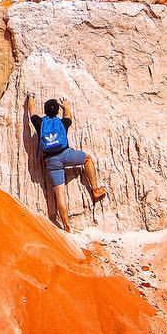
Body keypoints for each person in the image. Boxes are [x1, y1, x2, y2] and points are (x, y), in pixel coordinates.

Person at [27, 92, 107, 232]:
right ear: (57, 111)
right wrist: (66, 106)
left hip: (51, 161)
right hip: (66, 154)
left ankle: (66, 226)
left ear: (45, 111)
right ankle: (95, 189)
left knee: (60, 195)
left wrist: (31, 97)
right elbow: (68, 115)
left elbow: (32, 112)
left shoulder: (40, 123)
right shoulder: (62, 123)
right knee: (87, 159)